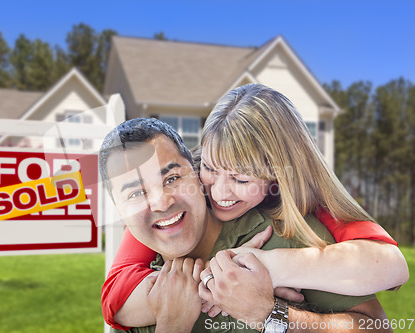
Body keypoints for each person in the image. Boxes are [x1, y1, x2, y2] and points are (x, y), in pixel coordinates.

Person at [102, 84, 407, 331]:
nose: (218, 191)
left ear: (278, 175)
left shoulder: (299, 217)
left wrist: (266, 270)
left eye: (240, 178)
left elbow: (390, 267)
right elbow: (115, 294)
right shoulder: (176, 192)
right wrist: (209, 282)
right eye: (209, 167)